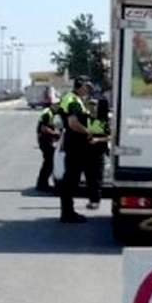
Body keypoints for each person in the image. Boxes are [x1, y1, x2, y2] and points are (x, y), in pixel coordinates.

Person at [58, 76, 99, 223]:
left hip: (76, 144)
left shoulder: (76, 99)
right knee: (71, 179)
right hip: (75, 144)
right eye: (87, 87)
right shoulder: (73, 101)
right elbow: (73, 123)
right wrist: (88, 132)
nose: (88, 90)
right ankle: (67, 213)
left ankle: (68, 211)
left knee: (72, 178)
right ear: (80, 86)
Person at [35, 94, 61, 193]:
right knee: (48, 162)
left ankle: (43, 183)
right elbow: (43, 128)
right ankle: (41, 184)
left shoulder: (53, 113)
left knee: (49, 162)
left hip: (49, 140)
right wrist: (55, 135)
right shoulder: (47, 113)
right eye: (57, 105)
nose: (59, 107)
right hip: (45, 140)